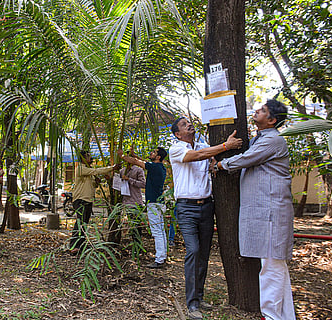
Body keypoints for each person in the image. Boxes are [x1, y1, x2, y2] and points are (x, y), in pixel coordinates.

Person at [212, 100, 295, 320]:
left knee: (271, 265)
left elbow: (247, 159)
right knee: (274, 265)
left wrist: (220, 164)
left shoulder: (273, 140)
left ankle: (270, 316)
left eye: (262, 111)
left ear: (272, 120)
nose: (256, 111)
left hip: (272, 211)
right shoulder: (262, 139)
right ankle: (283, 316)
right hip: (267, 210)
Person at [169, 117, 242, 320]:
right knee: (192, 251)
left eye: (188, 122)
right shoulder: (176, 149)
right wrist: (226, 145)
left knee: (203, 255)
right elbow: (199, 155)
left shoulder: (204, 146)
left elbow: (208, 156)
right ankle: (191, 304)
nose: (189, 125)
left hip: (207, 207)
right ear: (177, 134)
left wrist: (215, 163)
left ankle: (199, 298)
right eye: (183, 125)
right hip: (186, 208)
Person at [119, 147, 168, 268]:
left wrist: (122, 156)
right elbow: (143, 161)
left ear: (158, 157)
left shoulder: (154, 167)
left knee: (157, 232)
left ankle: (160, 259)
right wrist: (134, 154)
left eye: (154, 152)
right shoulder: (159, 167)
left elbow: (138, 163)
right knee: (161, 230)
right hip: (159, 203)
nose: (151, 153)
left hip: (154, 204)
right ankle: (162, 255)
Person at [70, 150, 120, 254]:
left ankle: (81, 245)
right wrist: (112, 168)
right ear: (83, 158)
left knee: (84, 223)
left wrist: (97, 181)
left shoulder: (88, 170)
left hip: (88, 200)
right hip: (80, 200)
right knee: (80, 223)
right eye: (88, 156)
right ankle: (74, 245)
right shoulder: (80, 169)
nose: (91, 158)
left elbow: (93, 183)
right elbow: (96, 171)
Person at [119, 162, 146, 243]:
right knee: (132, 224)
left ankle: (138, 244)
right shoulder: (122, 171)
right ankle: (134, 242)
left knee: (137, 225)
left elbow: (143, 184)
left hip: (135, 201)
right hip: (126, 201)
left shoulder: (138, 170)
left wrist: (129, 179)